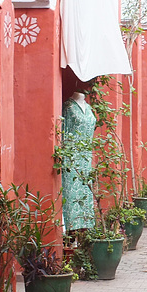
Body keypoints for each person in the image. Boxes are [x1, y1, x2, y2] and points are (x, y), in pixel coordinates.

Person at [62, 91, 97, 232]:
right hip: (72, 158)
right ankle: (71, 230)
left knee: (85, 191)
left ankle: (85, 228)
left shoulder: (88, 108)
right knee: (71, 194)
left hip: (86, 158)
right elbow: (64, 132)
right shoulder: (69, 107)